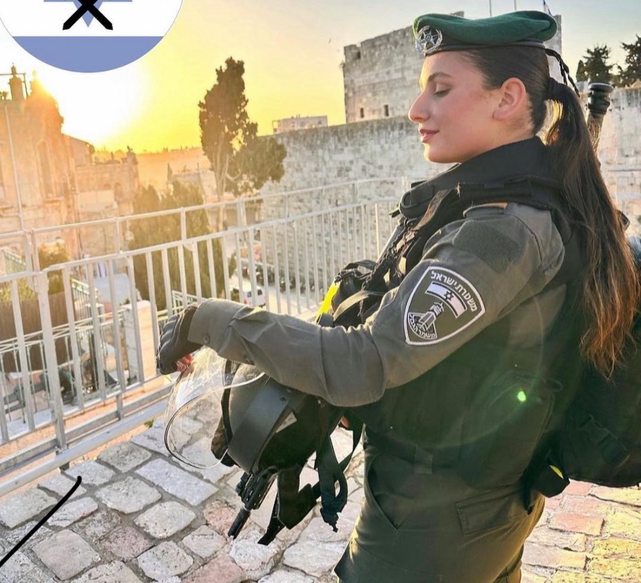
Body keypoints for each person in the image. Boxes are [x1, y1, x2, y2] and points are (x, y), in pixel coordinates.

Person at [158, 11, 640, 583]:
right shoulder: (523, 193)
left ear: (508, 98)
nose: (416, 109)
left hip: (434, 526)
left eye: (441, 89)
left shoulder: (503, 229)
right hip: (483, 505)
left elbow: (366, 363)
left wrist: (208, 320)